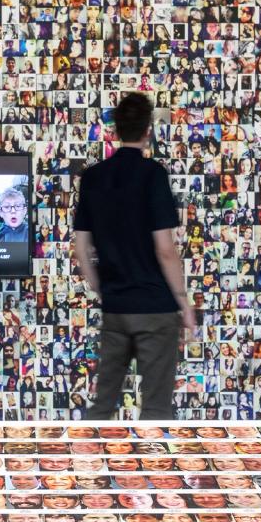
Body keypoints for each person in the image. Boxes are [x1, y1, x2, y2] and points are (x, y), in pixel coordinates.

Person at [73, 91, 193, 420]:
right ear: (147, 130)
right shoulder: (153, 175)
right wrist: (183, 302)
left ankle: (89, 455)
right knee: (156, 409)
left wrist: (102, 289)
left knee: (102, 406)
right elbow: (165, 250)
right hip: (156, 310)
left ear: (115, 130)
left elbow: (82, 247)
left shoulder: (93, 178)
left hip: (116, 308)